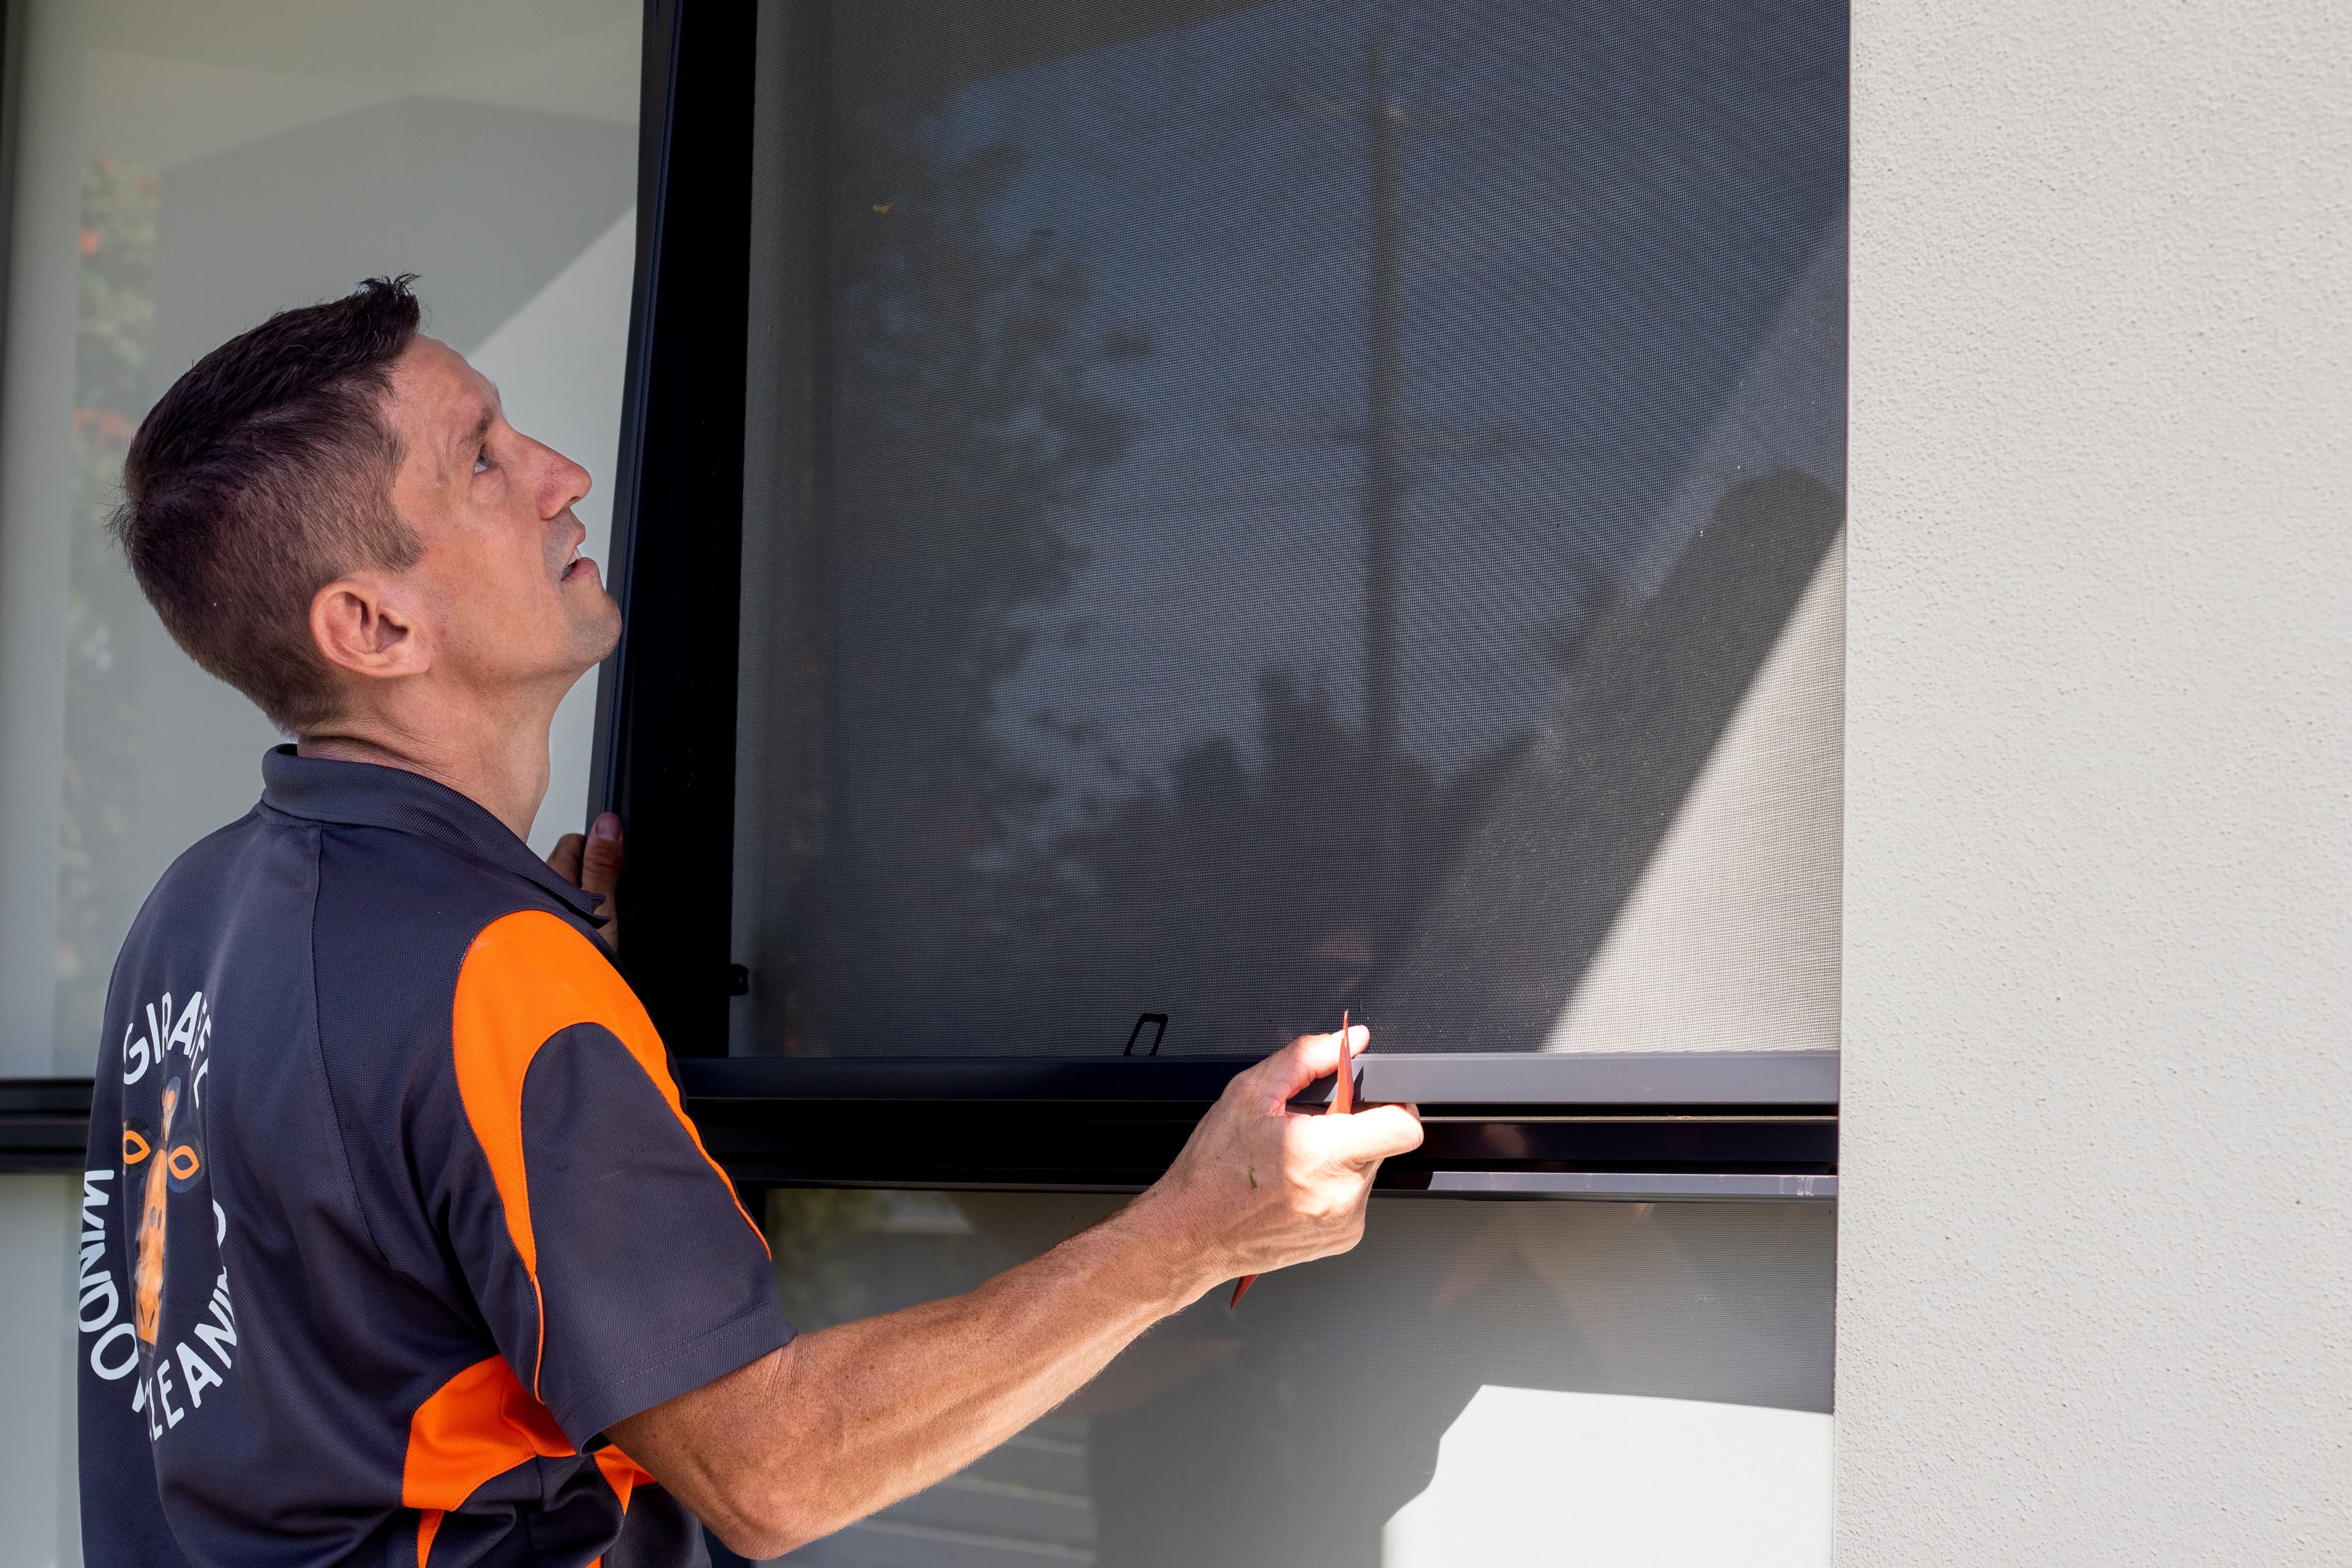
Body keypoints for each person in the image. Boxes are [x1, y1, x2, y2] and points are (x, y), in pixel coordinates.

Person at [74, 274, 1420, 1566]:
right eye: (481, 458)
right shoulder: (487, 976)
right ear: (372, 624)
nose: (562, 475)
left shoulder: (195, 916)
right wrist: (1192, 1232)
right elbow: (770, 1469)